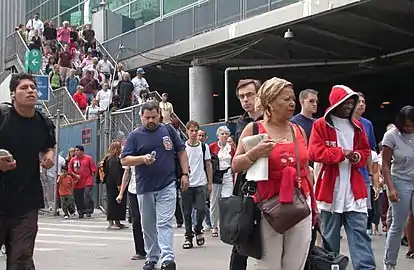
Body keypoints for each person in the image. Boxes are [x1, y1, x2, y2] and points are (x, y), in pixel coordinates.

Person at [232, 77, 317, 269]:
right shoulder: (254, 129)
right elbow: (236, 165)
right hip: (267, 207)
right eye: (285, 99)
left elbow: (305, 169)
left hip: (300, 204)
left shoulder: (299, 131)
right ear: (270, 101)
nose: (292, 103)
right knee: (268, 265)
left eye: (292, 99)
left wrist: (314, 206)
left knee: (295, 264)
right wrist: (254, 153)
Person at [308, 85, 375, 269]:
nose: (349, 106)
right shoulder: (320, 125)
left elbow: (365, 151)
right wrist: (341, 153)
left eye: (352, 102)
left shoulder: (359, 126)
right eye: (346, 102)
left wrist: (358, 157)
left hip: (354, 192)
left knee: (360, 234)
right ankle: (332, 266)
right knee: (329, 238)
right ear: (336, 103)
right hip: (330, 192)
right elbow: (314, 152)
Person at [121, 101, 189, 270]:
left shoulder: (168, 130)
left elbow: (181, 151)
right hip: (145, 188)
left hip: (167, 184)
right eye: (147, 117)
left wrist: (186, 174)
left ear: (159, 114)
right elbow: (124, 159)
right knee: (148, 225)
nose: (151, 120)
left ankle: (167, 259)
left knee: (164, 223)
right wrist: (142, 159)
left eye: (154, 117)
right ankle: (152, 257)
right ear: (141, 117)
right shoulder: (135, 136)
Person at [0, 73, 56, 269]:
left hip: (27, 200)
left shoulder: (44, 123)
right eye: (24, 87)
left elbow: (49, 145)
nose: (30, 90)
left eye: (33, 87)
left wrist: (49, 155)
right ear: (13, 94)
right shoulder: (3, 117)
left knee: (22, 257)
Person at [231, 78, 262, 270]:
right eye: (242, 96)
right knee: (240, 236)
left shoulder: (272, 120)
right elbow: (238, 159)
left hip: (270, 185)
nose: (245, 99)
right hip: (246, 185)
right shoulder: (242, 123)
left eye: (250, 94)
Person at [382, 106, 414, 269]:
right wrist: (391, 188)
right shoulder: (392, 135)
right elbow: (385, 164)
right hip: (400, 181)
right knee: (398, 223)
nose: (410, 128)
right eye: (407, 125)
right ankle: (389, 263)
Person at [181, 121, 212, 249]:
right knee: (187, 212)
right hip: (187, 183)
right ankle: (188, 236)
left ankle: (198, 229)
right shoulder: (183, 148)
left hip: (200, 182)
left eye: (195, 131)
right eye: (191, 131)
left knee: (201, 209)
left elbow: (208, 164)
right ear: (187, 132)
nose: (193, 133)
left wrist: (210, 183)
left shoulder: (204, 147)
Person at [209, 126, 235, 238]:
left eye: (226, 134)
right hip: (216, 176)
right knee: (214, 202)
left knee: (227, 201)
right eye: (222, 134)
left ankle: (225, 225)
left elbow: (234, 162)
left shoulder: (232, 149)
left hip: (228, 175)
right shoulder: (212, 147)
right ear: (218, 136)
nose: (224, 136)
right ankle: (214, 225)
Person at [117, 164, 146, 260]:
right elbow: (126, 173)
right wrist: (121, 193)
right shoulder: (130, 151)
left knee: (149, 220)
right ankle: (140, 251)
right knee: (136, 221)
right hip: (133, 190)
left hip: (148, 190)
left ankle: (153, 248)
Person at [68, 145, 97, 218]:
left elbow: (93, 170)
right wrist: (75, 175)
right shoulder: (73, 160)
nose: (76, 152)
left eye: (77, 150)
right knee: (78, 196)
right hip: (77, 181)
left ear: (82, 151)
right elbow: (70, 170)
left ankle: (88, 210)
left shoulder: (88, 158)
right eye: (75, 151)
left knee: (87, 194)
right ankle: (80, 211)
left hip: (87, 180)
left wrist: (93, 179)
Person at [104, 142, 127, 230]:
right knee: (113, 202)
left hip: (111, 183)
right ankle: (111, 222)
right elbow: (115, 173)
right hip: (113, 184)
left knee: (117, 202)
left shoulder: (109, 158)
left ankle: (117, 221)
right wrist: (119, 184)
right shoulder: (113, 159)